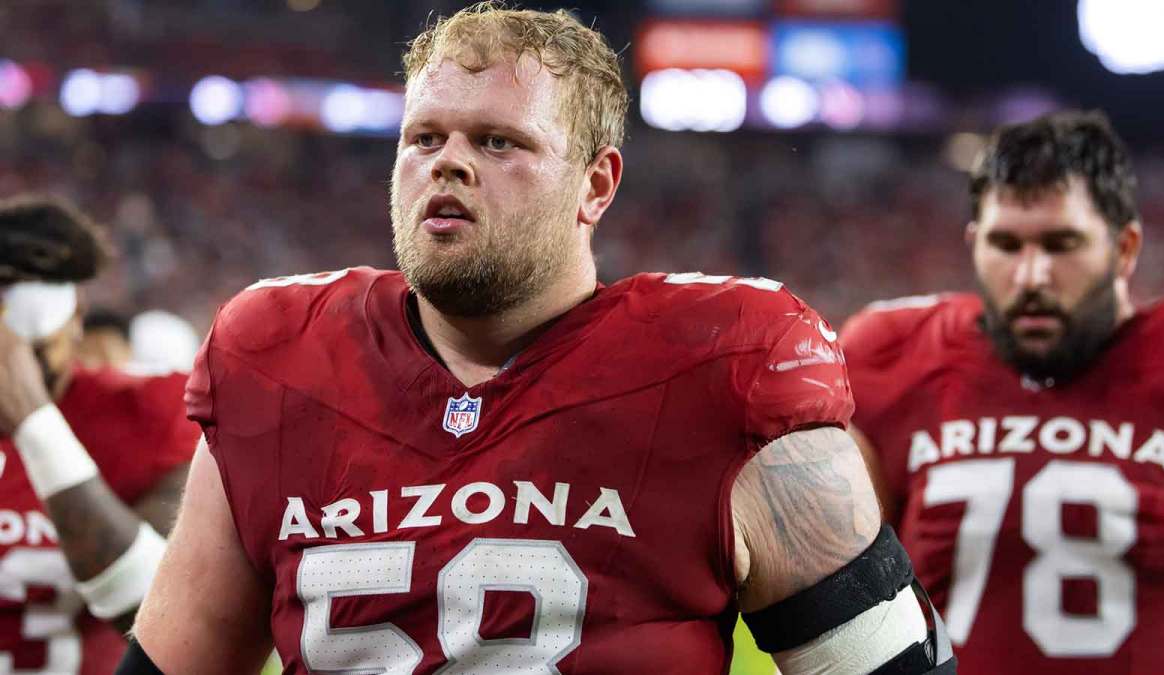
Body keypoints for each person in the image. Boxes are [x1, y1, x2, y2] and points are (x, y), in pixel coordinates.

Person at [125, 4, 953, 675]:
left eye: (497, 141)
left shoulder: (725, 364)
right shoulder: (275, 358)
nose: (447, 164)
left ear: (596, 183)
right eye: (424, 137)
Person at [841, 110, 1164, 674]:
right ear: (973, 244)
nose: (1031, 276)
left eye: (1062, 244)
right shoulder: (891, 356)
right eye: (1006, 244)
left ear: (1125, 249)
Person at [0, 196, 197, 674]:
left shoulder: (145, 416)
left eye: (33, 350)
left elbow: (165, 617)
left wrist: (32, 418)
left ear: (76, 318)